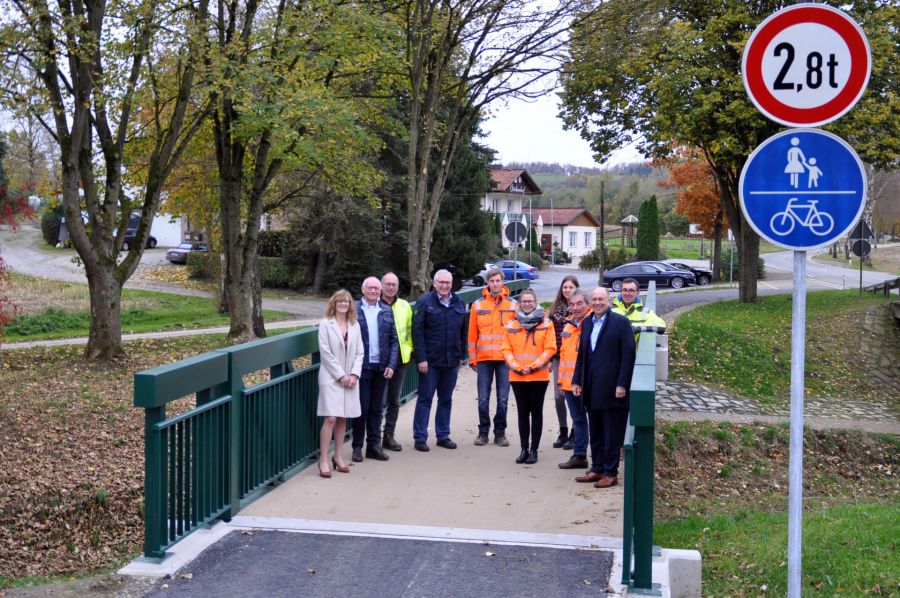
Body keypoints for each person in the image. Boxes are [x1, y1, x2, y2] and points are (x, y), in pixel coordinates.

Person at [572, 287, 636, 488]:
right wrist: (576, 380)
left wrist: (622, 384)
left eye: (601, 299)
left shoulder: (621, 323)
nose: (598, 302)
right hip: (591, 387)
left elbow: (628, 356)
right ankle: (597, 468)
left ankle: (610, 472)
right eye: (595, 299)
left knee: (612, 432)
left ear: (609, 300)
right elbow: (582, 355)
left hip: (612, 388)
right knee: (596, 431)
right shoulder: (588, 323)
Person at [411, 269, 467, 452]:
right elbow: (417, 333)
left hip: (451, 360)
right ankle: (420, 437)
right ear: (434, 283)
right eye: (441, 282)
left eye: (447, 283)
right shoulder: (425, 303)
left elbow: (463, 332)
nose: (444, 286)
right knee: (425, 399)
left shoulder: (459, 303)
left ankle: (443, 435)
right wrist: (421, 359)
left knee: (446, 399)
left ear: (452, 284)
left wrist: (461, 355)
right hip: (431, 361)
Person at [501, 288, 557, 464]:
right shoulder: (511, 325)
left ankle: (534, 450)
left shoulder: (546, 324)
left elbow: (550, 348)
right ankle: (524, 448)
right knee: (522, 412)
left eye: (530, 301)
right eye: (524, 301)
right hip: (517, 375)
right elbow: (506, 348)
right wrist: (516, 366)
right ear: (520, 303)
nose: (527, 304)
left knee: (536, 412)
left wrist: (534, 366)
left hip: (538, 375)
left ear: (535, 302)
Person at [316, 289, 364, 478]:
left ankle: (338, 456)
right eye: (340, 301)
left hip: (351, 379)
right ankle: (324, 459)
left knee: (343, 416)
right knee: (330, 418)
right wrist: (341, 376)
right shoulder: (326, 325)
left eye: (346, 301)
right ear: (333, 304)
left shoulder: (355, 325)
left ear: (350, 304)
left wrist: (354, 374)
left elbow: (360, 352)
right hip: (331, 377)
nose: (343, 304)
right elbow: (325, 353)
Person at [468, 267, 517, 447]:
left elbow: (517, 333)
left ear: (503, 282)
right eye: (492, 281)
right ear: (488, 283)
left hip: (504, 359)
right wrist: (473, 359)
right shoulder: (478, 305)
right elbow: (472, 335)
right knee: (483, 398)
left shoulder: (512, 305)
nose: (495, 284)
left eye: (498, 281)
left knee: (503, 399)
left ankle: (500, 433)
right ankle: (483, 432)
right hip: (484, 358)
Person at [352, 277, 399, 463]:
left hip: (381, 367)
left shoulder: (386, 310)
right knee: (361, 408)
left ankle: (374, 445)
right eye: (369, 288)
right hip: (362, 366)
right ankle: (357, 447)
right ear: (363, 290)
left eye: (376, 288)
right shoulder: (354, 310)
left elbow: (394, 340)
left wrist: (391, 364)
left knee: (377, 408)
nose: (373, 291)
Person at [556, 289, 592, 471]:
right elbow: (563, 355)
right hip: (570, 382)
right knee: (578, 420)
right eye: (572, 304)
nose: (576, 307)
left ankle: (599, 459)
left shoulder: (593, 323)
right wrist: (561, 381)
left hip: (587, 383)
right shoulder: (569, 325)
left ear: (589, 304)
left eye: (580, 304)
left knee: (594, 420)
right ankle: (579, 455)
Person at [380, 272, 413, 451]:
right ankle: (373, 436)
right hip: (379, 362)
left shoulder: (404, 306)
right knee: (377, 401)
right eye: (388, 284)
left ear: (398, 286)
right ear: (381, 285)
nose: (391, 287)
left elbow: (409, 331)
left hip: (400, 360)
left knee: (394, 400)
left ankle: (389, 435)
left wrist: (409, 351)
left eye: (394, 284)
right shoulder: (374, 304)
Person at [548, 275, 579, 449]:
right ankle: (563, 431)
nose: (567, 290)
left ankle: (576, 432)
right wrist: (550, 358)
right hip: (559, 358)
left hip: (575, 358)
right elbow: (550, 335)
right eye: (565, 287)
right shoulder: (554, 311)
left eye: (570, 287)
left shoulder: (580, 310)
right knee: (559, 396)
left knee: (574, 394)